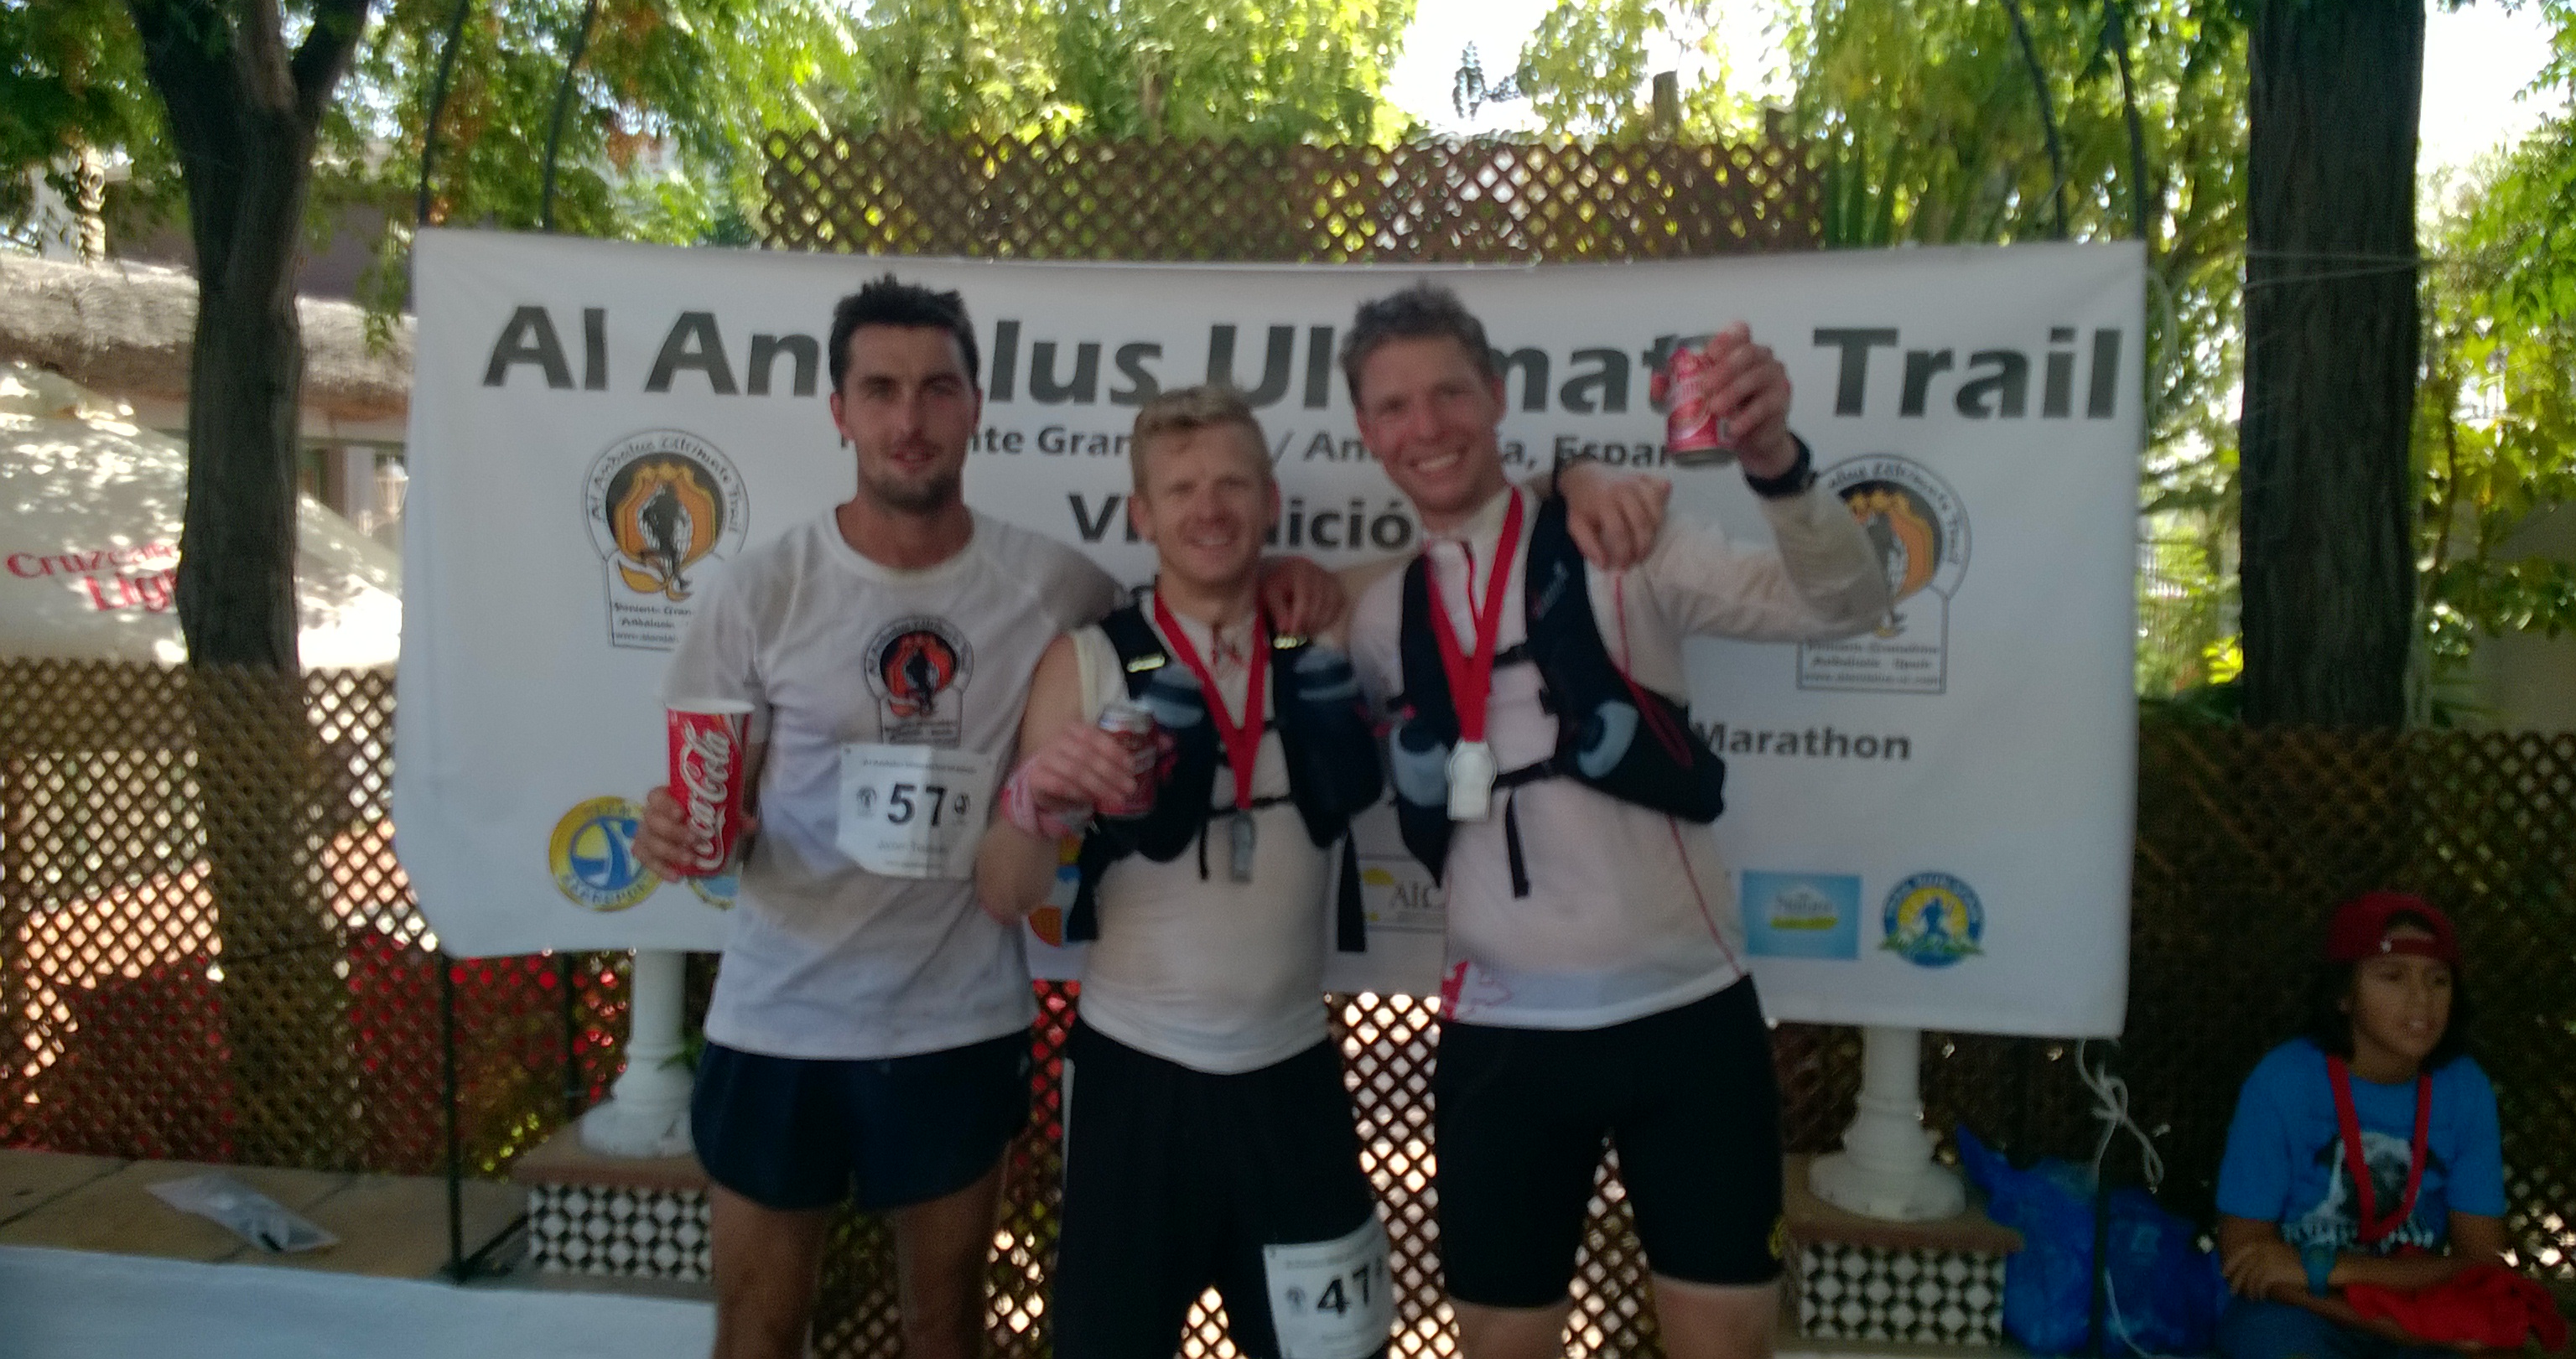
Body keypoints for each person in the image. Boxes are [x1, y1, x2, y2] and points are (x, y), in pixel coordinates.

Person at [629, 278, 1344, 1359]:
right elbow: (712, 811)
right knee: (759, 1327)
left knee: (944, 1328)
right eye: (879, 390)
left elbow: (1196, 588)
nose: (908, 419)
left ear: (975, 405)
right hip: (781, 1018)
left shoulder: (1057, 587)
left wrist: (1288, 576)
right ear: (839, 410)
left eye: (935, 389)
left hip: (956, 1019)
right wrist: (674, 830)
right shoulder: (763, 587)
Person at [976, 386, 1670, 1359]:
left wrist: (1569, 477)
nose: (1208, 509)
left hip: (1291, 1078)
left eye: (1230, 485)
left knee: (1329, 1355)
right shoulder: (1088, 661)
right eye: (1180, 489)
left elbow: (1470, 541)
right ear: (1142, 513)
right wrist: (1033, 799)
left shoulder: (1332, 622)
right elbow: (1006, 894)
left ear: (1270, 500)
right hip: (1135, 1083)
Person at [1340, 283, 1893, 1359]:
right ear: (1367, 433)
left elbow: (1847, 604)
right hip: (1502, 1038)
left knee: (1723, 1344)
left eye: (1451, 392)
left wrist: (1775, 462)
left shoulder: (1621, 540)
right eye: (1395, 407)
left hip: (1685, 1018)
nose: (1428, 426)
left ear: (1497, 396)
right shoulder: (1377, 614)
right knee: (1503, 1343)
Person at [2215, 892, 2510, 1359]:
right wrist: (2355, 1307)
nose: (2421, 1000)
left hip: (2415, 1309)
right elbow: (2246, 1260)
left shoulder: (2464, 1088)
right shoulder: (2283, 1081)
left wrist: (2325, 1268)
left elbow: (2481, 1263)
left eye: (2438, 981)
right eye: (2392, 977)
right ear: (2342, 995)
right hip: (2301, 1312)